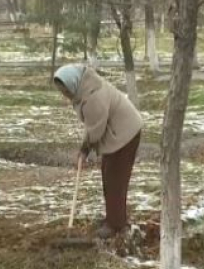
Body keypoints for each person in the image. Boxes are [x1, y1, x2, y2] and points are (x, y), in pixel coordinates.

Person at [53, 65, 143, 239]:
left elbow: (96, 129)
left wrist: (84, 150)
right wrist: (84, 148)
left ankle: (116, 226)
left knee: (115, 179)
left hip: (125, 134)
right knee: (108, 176)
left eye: (65, 91)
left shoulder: (93, 97)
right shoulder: (85, 89)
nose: (65, 95)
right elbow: (92, 124)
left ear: (73, 83)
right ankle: (114, 218)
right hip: (117, 133)